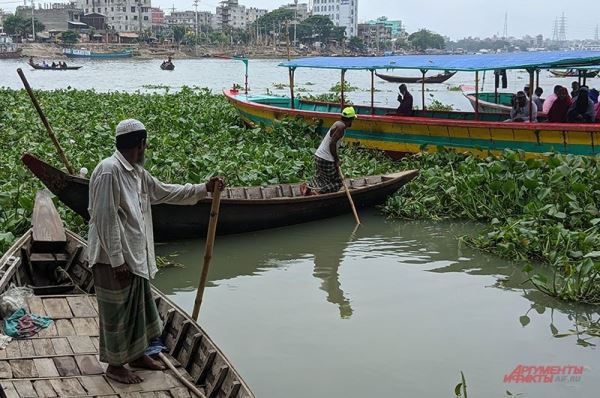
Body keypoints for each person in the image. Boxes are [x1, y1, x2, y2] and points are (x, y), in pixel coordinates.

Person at [88, 118, 224, 384]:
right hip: (111, 259)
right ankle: (115, 367)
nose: (145, 149)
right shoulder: (109, 171)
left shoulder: (137, 172)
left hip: (134, 257)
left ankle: (138, 356)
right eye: (145, 144)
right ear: (140, 144)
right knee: (117, 316)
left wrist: (203, 189)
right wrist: (117, 261)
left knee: (137, 311)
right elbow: (104, 219)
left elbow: (163, 192)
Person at [301, 107, 356, 196]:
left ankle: (308, 187)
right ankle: (318, 192)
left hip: (318, 156)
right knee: (338, 182)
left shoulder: (338, 123)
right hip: (326, 159)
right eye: (353, 119)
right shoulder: (341, 127)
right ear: (351, 119)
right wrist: (336, 160)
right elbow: (332, 144)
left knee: (321, 178)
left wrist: (336, 159)